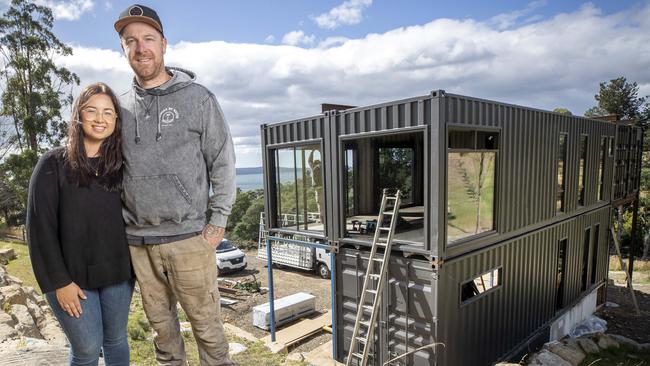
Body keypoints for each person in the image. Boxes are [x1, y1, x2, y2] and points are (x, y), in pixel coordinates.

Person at [114, 4, 237, 365]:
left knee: (209, 334)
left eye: (148, 39)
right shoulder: (118, 107)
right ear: (123, 49)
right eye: (130, 41)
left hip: (189, 240)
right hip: (140, 245)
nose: (141, 48)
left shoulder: (199, 98)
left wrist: (218, 222)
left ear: (164, 44)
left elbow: (223, 162)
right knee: (163, 339)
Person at [27, 82, 134, 366]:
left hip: (117, 274)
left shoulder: (120, 166)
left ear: (116, 121)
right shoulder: (52, 164)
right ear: (78, 115)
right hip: (70, 277)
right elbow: (40, 231)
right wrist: (60, 282)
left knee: (116, 341)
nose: (100, 119)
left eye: (108, 113)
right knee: (87, 348)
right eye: (92, 111)